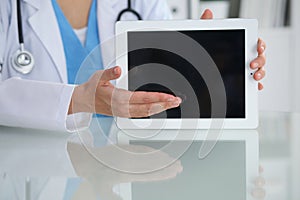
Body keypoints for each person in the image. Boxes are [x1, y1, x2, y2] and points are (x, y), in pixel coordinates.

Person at [0, 0, 266, 132]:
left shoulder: (142, 2)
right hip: (31, 166)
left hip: (130, 163)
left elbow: (168, 78)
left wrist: (205, 56)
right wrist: (77, 101)